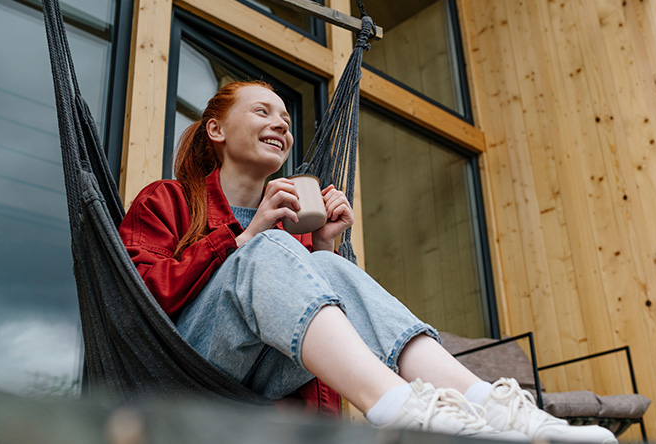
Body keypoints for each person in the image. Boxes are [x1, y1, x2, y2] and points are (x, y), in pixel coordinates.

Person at [119, 80, 617, 443]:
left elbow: (309, 343)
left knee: (331, 267)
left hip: (256, 389)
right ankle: (399, 405)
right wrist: (247, 236)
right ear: (216, 130)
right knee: (272, 248)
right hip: (181, 372)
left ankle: (494, 408)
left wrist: (325, 248)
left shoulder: (290, 224)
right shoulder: (168, 200)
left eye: (286, 120)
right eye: (262, 112)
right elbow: (139, 296)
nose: (280, 125)